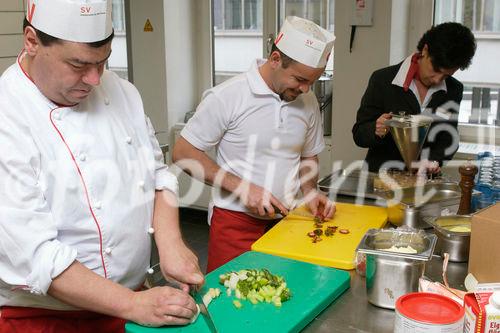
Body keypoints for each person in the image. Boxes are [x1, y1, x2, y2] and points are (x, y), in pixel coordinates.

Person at [0, 1, 204, 332]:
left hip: (134, 304)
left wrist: (171, 243)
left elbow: (156, 175)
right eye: (78, 64)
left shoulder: (123, 92)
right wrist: (132, 304)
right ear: (31, 41)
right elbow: (38, 257)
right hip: (48, 318)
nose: (95, 79)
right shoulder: (7, 116)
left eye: (103, 62)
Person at [173, 16, 336, 273]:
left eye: (312, 82)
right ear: (275, 60)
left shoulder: (307, 101)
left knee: (285, 298)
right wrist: (243, 188)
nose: (306, 89)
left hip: (288, 221)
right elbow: (183, 152)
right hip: (234, 224)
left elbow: (307, 156)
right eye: (299, 80)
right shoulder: (227, 96)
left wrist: (310, 191)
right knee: (229, 301)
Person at [352, 22, 476, 174]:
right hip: (380, 179)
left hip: (424, 183)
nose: (437, 80)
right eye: (436, 70)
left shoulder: (454, 89)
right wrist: (375, 129)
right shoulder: (382, 80)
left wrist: (434, 161)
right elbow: (359, 134)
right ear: (425, 50)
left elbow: (447, 138)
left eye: (446, 75)